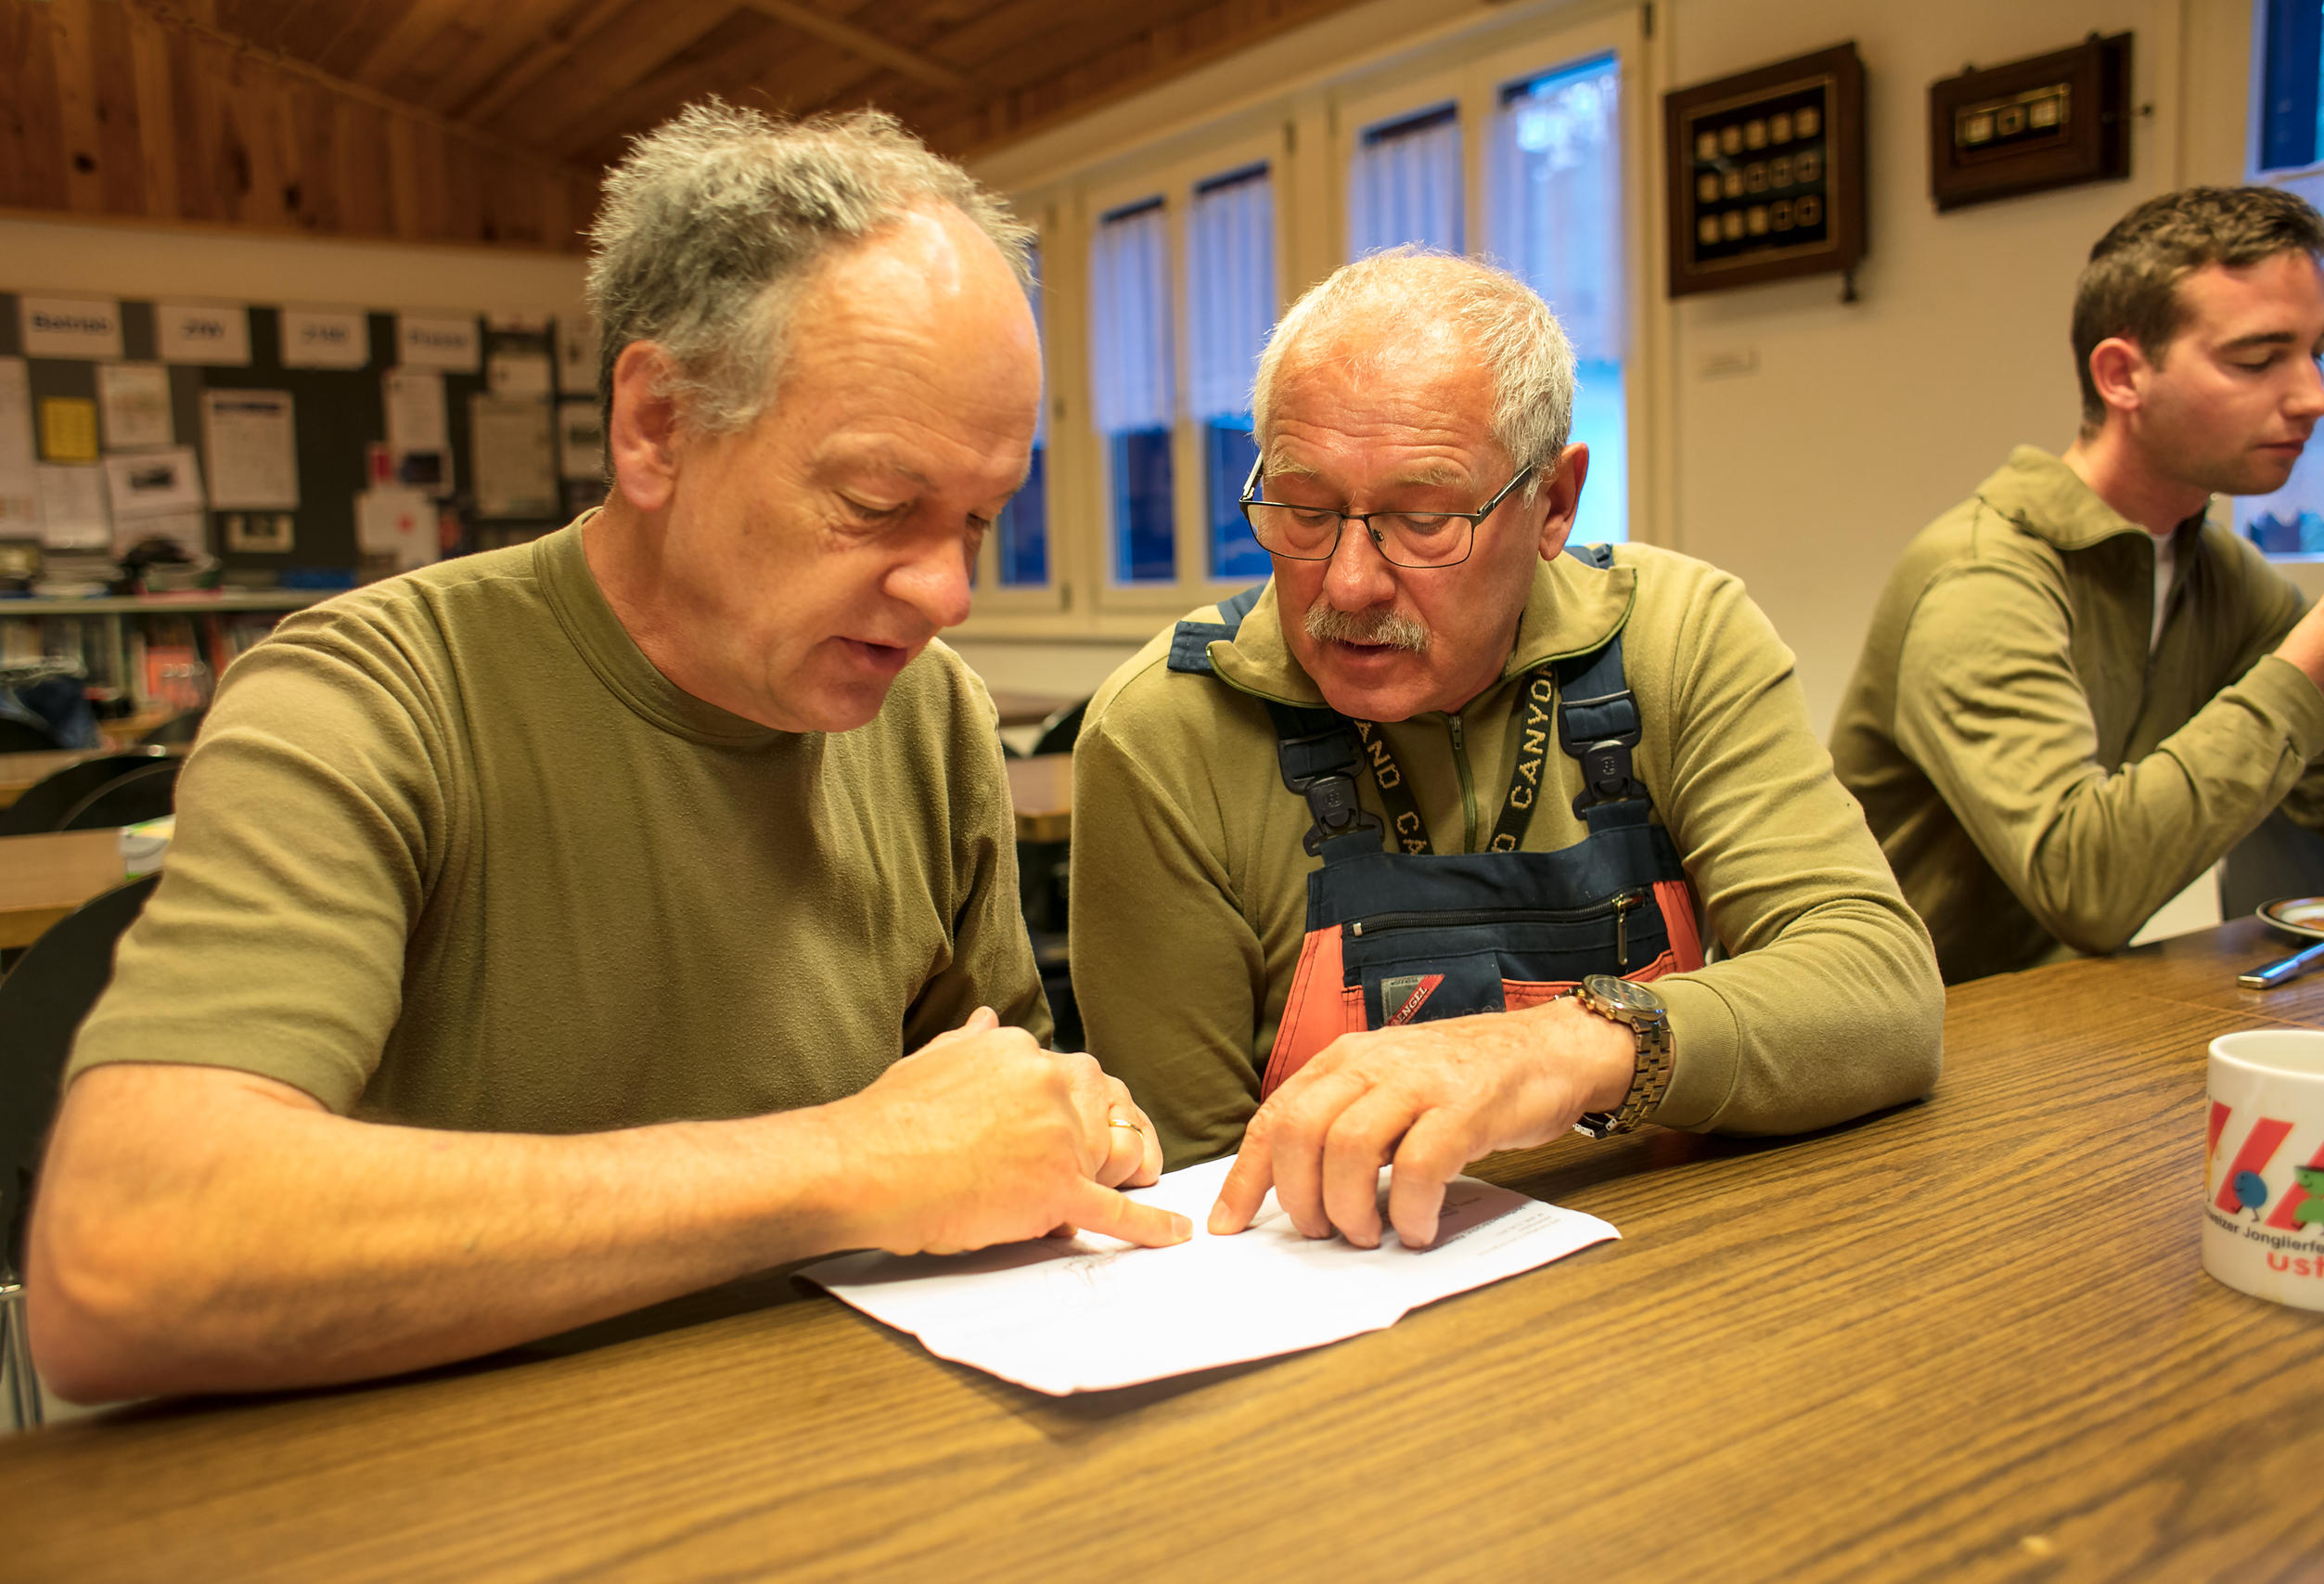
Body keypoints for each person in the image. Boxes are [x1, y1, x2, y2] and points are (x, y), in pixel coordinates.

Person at [27, 105, 1187, 1405]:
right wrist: (847, 1159)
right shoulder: (371, 700)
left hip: (845, 1450)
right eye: (876, 505)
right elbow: (127, 1256)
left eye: (980, 518)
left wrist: (1068, 1131)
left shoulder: (930, 715)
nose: (946, 591)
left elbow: (992, 1121)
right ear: (658, 426)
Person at [1068, 251, 1943, 1253]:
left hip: (1669, 1264)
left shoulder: (1678, 639)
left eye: (1424, 518)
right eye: (1304, 510)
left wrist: (1563, 1047)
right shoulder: (1163, 734)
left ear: (1554, 505)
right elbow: (1201, 1207)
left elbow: (1880, 990)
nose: (1347, 583)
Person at [1831, 186, 2324, 985]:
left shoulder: (2221, 577)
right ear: (2123, 375)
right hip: (1901, 1046)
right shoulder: (1982, 576)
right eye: (2258, 359)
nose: (2314, 398)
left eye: (2316, 352)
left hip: (2066, 1012)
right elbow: (2086, 882)